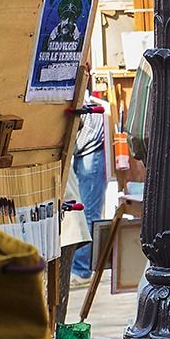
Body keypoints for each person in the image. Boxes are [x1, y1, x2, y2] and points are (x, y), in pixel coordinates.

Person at [70, 93, 107, 285]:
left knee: (89, 211)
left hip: (93, 146)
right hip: (79, 148)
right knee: (78, 210)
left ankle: (82, 269)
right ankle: (77, 267)